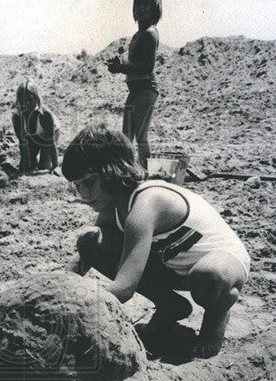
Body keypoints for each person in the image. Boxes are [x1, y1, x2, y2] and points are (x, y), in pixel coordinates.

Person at [61, 126, 250, 358]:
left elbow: (125, 287)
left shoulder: (146, 203)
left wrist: (75, 311)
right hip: (174, 266)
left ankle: (215, 319)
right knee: (92, 241)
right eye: (77, 185)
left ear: (113, 172)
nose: (83, 193)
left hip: (222, 264)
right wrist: (56, 291)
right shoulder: (114, 208)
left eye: (89, 183)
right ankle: (171, 305)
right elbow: (83, 257)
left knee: (209, 276)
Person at [106, 0, 162, 168]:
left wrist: (122, 67)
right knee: (127, 134)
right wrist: (120, 66)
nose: (141, 8)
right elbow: (136, 63)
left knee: (140, 135)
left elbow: (147, 66)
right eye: (138, 4)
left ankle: (144, 170)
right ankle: (129, 168)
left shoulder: (149, 34)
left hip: (146, 88)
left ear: (155, 9)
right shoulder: (139, 34)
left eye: (146, 4)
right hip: (136, 89)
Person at [11, 81, 59, 173]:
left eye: (30, 100)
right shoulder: (17, 117)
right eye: (23, 101)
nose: (27, 104)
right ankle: (36, 159)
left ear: (36, 98)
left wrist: (55, 166)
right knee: (26, 167)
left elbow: (50, 142)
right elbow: (22, 142)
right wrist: (27, 164)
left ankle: (58, 159)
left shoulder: (45, 114)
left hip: (48, 137)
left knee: (44, 167)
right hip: (32, 137)